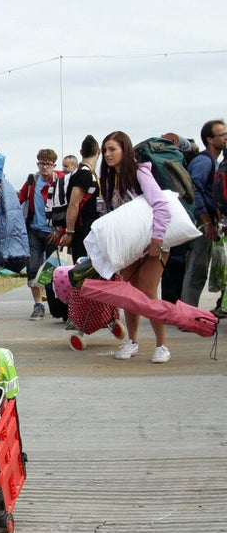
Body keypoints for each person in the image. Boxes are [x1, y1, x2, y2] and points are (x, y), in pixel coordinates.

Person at [100, 131, 172, 363]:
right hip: (130, 246)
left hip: (153, 244)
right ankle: (132, 341)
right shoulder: (111, 179)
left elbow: (161, 205)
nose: (108, 154)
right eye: (105, 150)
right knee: (129, 294)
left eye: (113, 149)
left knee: (149, 293)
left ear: (125, 150)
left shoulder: (140, 173)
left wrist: (157, 240)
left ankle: (162, 345)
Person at [180, 119, 227, 308]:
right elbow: (193, 191)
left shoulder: (214, 161)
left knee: (199, 267)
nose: (225, 138)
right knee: (197, 267)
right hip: (201, 223)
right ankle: (186, 314)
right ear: (209, 139)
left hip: (207, 221)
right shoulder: (203, 161)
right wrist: (207, 222)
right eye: (221, 135)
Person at [18, 149, 61, 320]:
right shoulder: (32, 181)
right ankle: (38, 305)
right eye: (42, 163)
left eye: (48, 164)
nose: (44, 167)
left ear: (54, 165)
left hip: (52, 232)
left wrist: (60, 229)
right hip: (34, 231)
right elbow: (20, 198)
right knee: (33, 268)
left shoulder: (60, 181)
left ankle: (55, 304)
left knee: (51, 271)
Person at [59, 135, 102, 261]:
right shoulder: (84, 174)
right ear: (98, 151)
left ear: (81, 152)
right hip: (82, 231)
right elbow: (74, 204)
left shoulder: (89, 173)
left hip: (90, 228)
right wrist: (70, 232)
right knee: (82, 267)